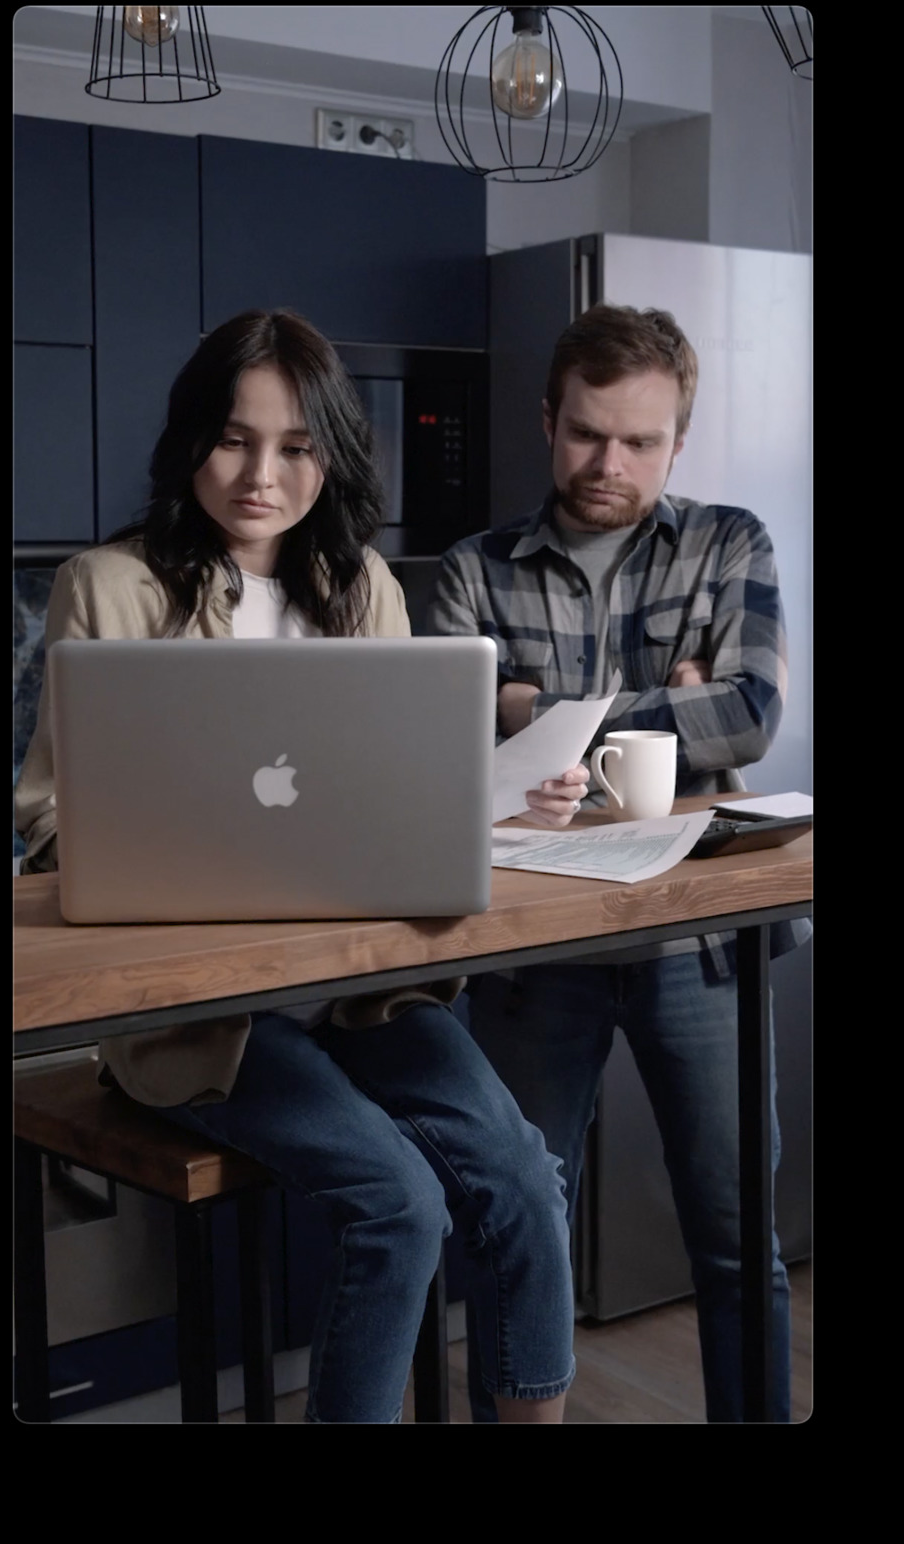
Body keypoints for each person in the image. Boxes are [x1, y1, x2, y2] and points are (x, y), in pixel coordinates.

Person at [15, 308, 584, 1425]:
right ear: (191, 440)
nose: (260, 475)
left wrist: (497, 793)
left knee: (523, 1174)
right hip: (205, 1013)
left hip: (361, 990)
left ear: (332, 455)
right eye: (233, 439)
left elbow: (396, 794)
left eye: (295, 447)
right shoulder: (111, 585)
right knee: (398, 1200)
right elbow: (44, 818)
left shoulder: (365, 586)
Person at [428, 302, 809, 1424]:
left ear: (676, 441)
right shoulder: (470, 569)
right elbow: (441, 742)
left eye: (640, 441)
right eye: (589, 433)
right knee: (517, 1232)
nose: (611, 463)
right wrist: (662, 705)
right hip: (529, 944)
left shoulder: (729, 541)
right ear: (548, 420)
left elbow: (744, 717)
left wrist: (530, 709)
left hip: (700, 942)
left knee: (738, 1239)